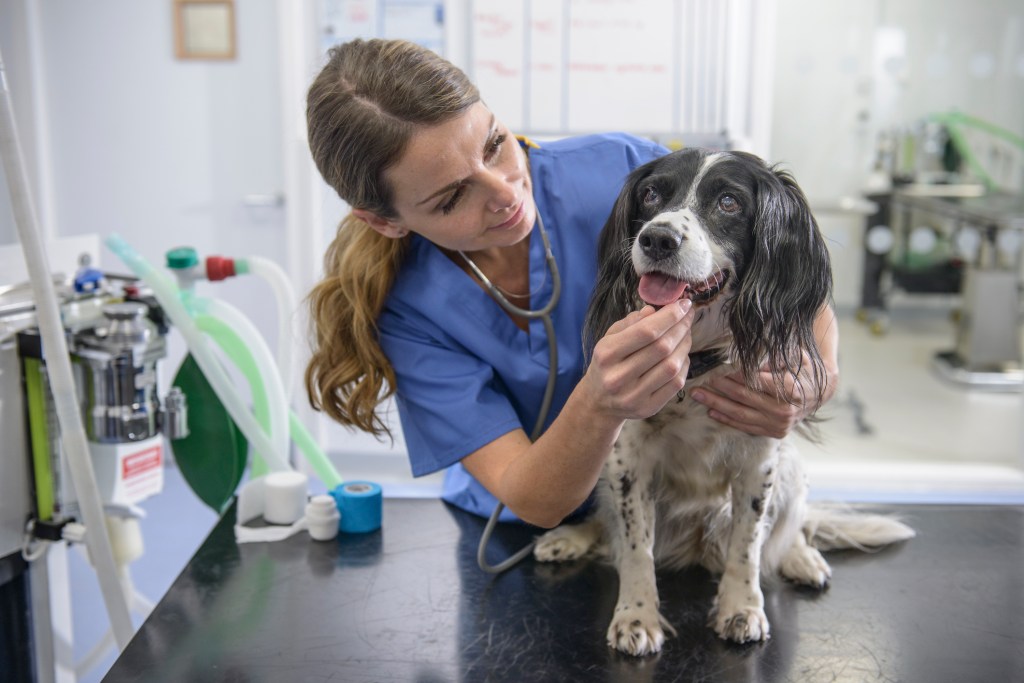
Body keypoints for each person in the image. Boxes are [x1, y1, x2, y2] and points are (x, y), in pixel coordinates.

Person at [304, 38, 839, 529]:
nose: (506, 192)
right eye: (451, 197)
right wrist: (599, 403)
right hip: (524, 530)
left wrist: (815, 379)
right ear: (385, 221)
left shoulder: (624, 171)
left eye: (495, 144)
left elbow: (783, 266)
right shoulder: (409, 311)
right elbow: (532, 498)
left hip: (669, 507)